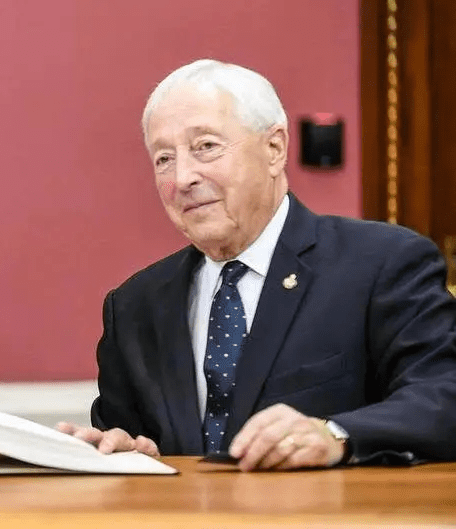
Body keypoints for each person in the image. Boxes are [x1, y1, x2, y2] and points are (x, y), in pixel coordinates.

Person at [59, 59, 456, 471]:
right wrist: (121, 452)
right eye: (163, 159)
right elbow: (131, 440)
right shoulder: (133, 306)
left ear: (274, 149)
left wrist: (336, 434)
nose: (182, 178)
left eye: (205, 147)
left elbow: (444, 396)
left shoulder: (381, 263)